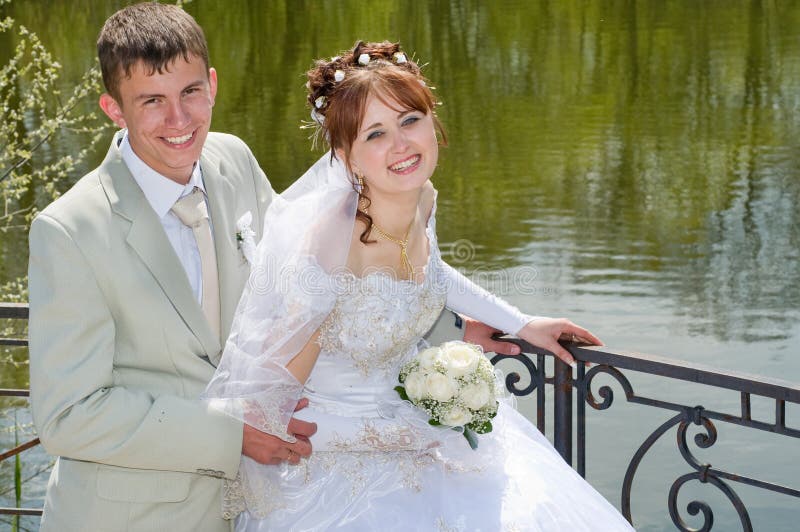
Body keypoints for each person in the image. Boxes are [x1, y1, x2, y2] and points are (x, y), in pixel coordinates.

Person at [26, 6, 522, 531]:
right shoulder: (69, 231)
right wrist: (232, 433)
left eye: (190, 92)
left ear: (213, 85)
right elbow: (68, 416)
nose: (179, 119)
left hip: (261, 502)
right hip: (136, 516)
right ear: (114, 109)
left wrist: (448, 322)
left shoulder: (231, 161)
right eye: (152, 101)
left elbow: (316, 275)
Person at [204, 41, 634, 531]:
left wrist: (522, 323)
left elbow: (432, 272)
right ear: (347, 156)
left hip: (415, 423)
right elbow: (281, 378)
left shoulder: (423, 198)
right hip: (342, 452)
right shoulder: (329, 239)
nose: (401, 145)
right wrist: (278, 436)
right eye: (375, 134)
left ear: (433, 121)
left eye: (410, 120)